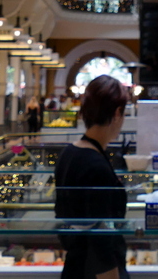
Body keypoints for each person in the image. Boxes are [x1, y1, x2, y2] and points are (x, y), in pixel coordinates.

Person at [54, 75, 130, 279]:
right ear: (117, 113)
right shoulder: (96, 166)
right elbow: (100, 243)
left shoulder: (67, 154)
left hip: (74, 267)